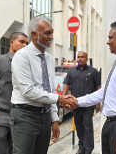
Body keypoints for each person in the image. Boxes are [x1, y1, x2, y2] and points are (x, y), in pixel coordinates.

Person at [66, 20, 116, 154]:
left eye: (110, 38)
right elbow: (103, 92)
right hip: (110, 124)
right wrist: (77, 101)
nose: (108, 42)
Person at [10, 18, 76, 154]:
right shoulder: (22, 56)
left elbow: (49, 90)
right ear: (34, 34)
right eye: (47, 33)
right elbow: (28, 91)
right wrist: (59, 99)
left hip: (44, 117)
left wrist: (54, 119)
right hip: (25, 116)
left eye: (52, 33)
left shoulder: (49, 59)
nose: (51, 37)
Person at [62, 51, 101, 154]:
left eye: (82, 57)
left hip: (88, 106)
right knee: (79, 126)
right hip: (75, 105)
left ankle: (89, 149)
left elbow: (98, 87)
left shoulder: (93, 72)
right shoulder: (71, 72)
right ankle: (81, 147)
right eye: (78, 57)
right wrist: (63, 98)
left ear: (87, 58)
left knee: (87, 126)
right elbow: (66, 84)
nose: (80, 58)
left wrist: (98, 103)